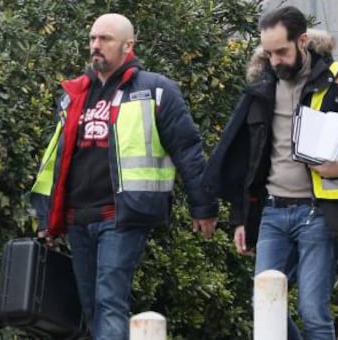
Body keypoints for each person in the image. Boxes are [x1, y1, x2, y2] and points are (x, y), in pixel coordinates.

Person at [201, 6, 338, 340]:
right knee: (265, 305)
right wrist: (242, 217)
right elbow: (249, 160)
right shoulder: (261, 89)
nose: (274, 60)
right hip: (273, 212)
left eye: (282, 52)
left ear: (302, 41)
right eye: (268, 53)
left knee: (314, 314)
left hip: (319, 214)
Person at [30, 13, 218, 340]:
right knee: (89, 306)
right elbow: (56, 159)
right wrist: (48, 215)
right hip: (77, 218)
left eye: (105, 39)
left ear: (128, 45)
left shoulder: (155, 90)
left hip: (122, 215)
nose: (95, 46)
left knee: (108, 300)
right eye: (92, 39)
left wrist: (204, 207)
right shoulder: (74, 94)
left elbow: (188, 150)